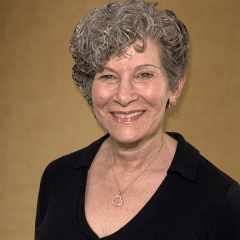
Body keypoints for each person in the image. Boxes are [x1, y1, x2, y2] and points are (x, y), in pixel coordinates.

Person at [35, 0, 240, 239]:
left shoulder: (220, 199)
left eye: (144, 74)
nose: (124, 96)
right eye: (108, 76)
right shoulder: (57, 178)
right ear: (89, 86)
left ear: (175, 87)